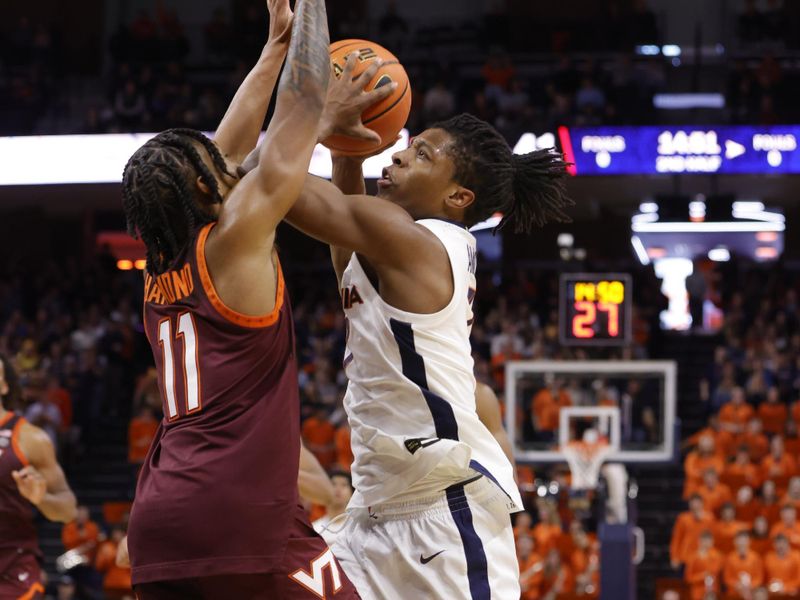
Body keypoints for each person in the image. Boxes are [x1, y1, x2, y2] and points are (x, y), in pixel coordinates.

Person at [281, 53, 572, 598]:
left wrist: (318, 122)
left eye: (420, 155)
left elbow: (279, 187)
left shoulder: (417, 242)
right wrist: (345, 152)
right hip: (370, 517)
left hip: (442, 523)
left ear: (457, 197)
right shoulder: (394, 245)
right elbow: (345, 241)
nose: (397, 156)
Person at [120, 1, 359, 597]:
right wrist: (310, 12)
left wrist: (273, 46)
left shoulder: (164, 260)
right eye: (209, 162)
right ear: (204, 187)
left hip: (158, 526)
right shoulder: (233, 239)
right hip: (238, 516)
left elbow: (227, 153)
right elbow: (298, 113)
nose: (223, 158)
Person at [0, 353, 77, 599]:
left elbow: (68, 510)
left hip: (12, 569)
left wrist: (40, 498)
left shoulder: (29, 438)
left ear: (4, 385)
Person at [313, 471, 354, 546]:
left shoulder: (357, 527)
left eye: (344, 485)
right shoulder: (314, 529)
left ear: (352, 494)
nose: (338, 489)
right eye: (333, 484)